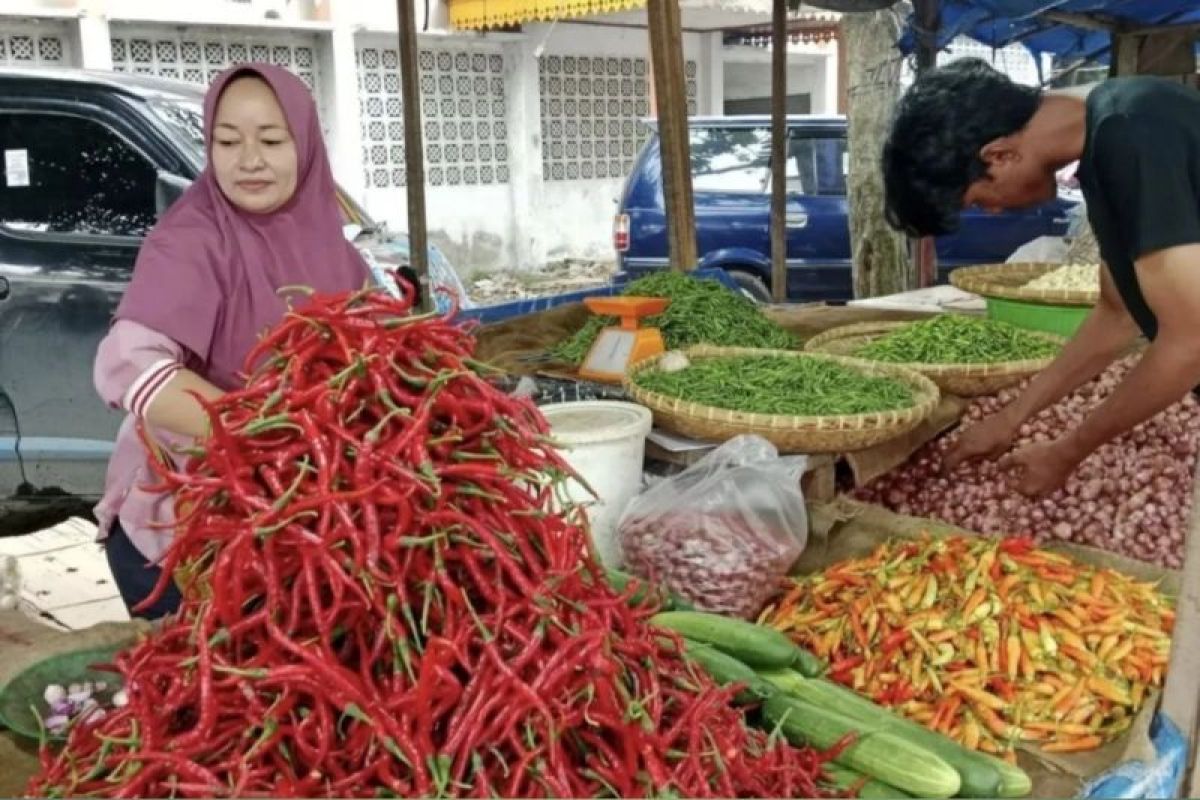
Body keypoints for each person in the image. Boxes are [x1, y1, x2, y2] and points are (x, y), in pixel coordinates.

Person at [94, 64, 371, 618]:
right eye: (226, 141)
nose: (248, 160)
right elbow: (129, 365)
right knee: (208, 690)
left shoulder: (339, 256)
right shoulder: (192, 238)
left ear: (306, 146)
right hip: (180, 530)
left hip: (291, 524)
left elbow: (373, 373)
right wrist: (264, 433)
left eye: (271, 140)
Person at [882, 59, 1200, 497]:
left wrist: (1067, 451)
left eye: (979, 201)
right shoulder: (1107, 140)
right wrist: (1013, 416)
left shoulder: (1128, 130)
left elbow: (1189, 343)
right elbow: (1117, 311)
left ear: (999, 155)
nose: (993, 211)